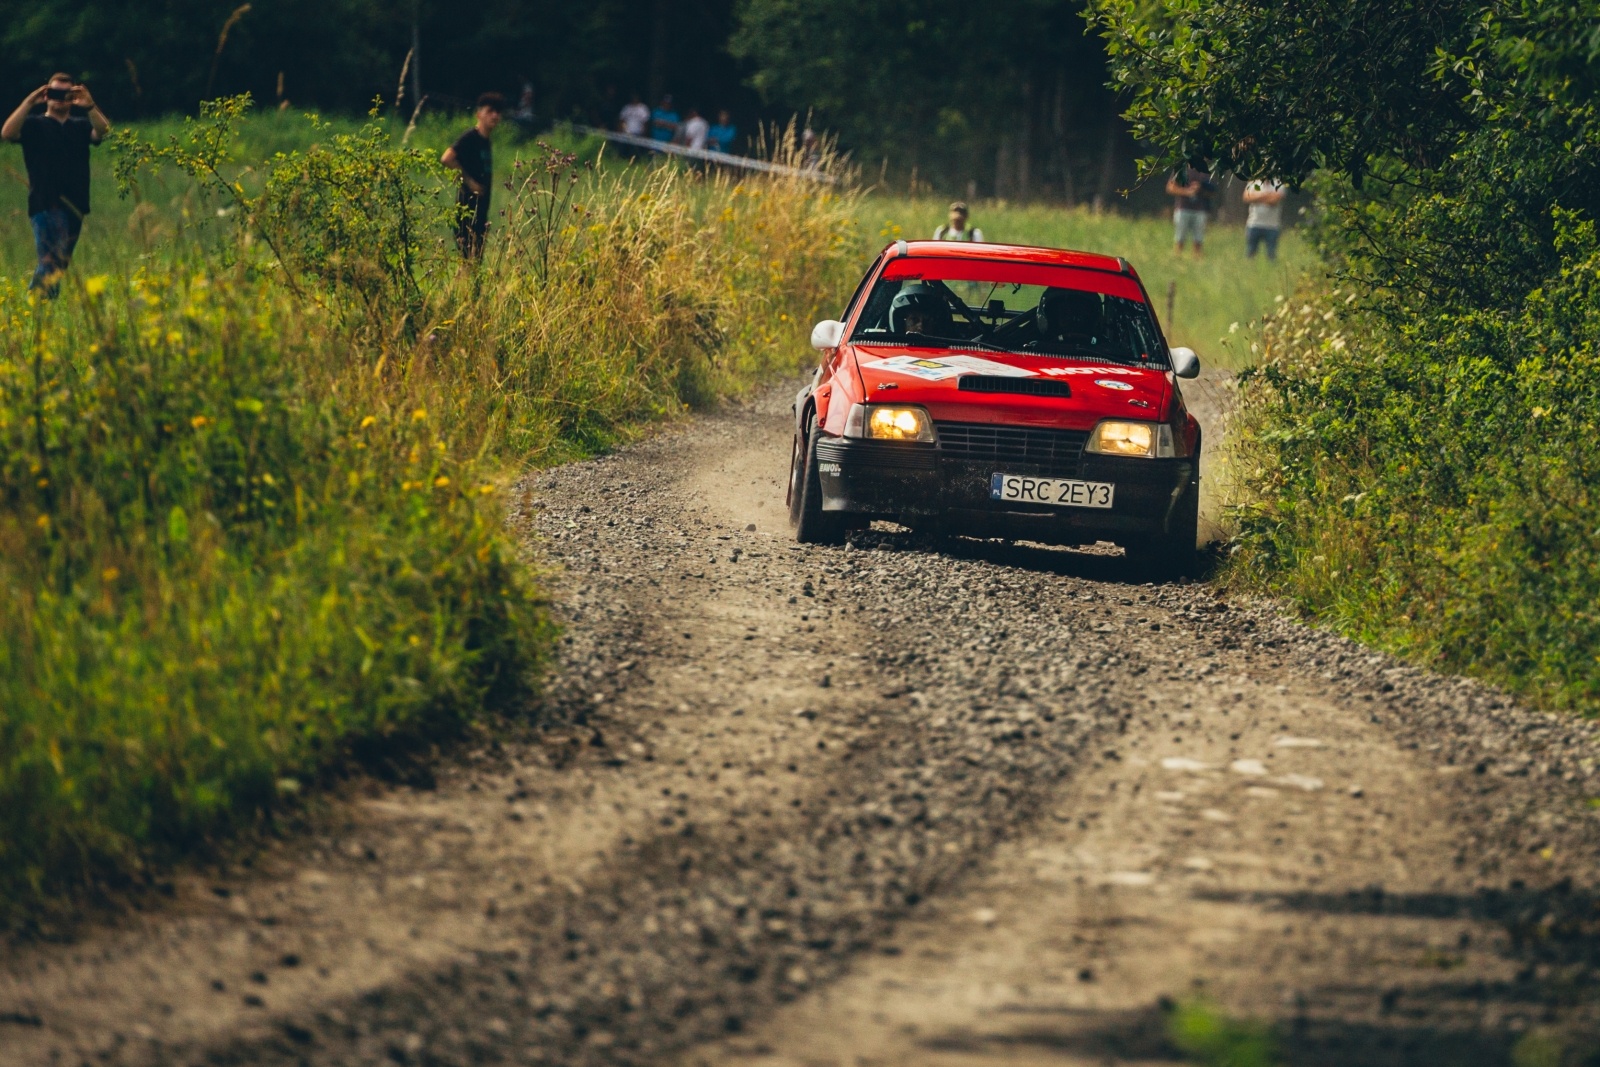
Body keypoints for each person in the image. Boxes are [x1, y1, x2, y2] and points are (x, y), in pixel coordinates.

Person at [2, 73, 110, 297]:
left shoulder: (80, 127)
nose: (59, 98)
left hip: (76, 205)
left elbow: (104, 132)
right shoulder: (34, 125)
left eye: (65, 94)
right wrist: (29, 102)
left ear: (73, 97)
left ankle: (39, 305)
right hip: (45, 202)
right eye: (55, 93)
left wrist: (90, 106)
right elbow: (8, 133)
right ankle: (38, 304)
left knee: (59, 264)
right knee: (51, 261)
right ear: (46, 95)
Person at [441, 92, 503, 260]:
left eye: (498, 112)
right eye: (490, 111)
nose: (495, 115)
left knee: (475, 262)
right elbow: (447, 158)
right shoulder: (470, 138)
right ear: (479, 114)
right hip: (467, 210)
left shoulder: (486, 141)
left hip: (481, 211)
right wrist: (469, 182)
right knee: (467, 260)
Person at [1165, 162, 1216, 257]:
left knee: (1198, 239)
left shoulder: (1205, 171)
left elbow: (1212, 192)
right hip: (1183, 208)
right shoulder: (1181, 168)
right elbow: (1170, 187)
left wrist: (1200, 189)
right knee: (1180, 237)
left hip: (1200, 209)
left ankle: (1197, 259)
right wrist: (1187, 192)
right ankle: (1177, 257)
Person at [1243, 178, 1287, 260]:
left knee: (1271, 254)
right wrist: (1267, 195)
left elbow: (1274, 200)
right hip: (1254, 224)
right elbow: (1247, 197)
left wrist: (1256, 197)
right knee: (1250, 253)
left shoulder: (1278, 184)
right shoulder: (1253, 183)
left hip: (1272, 226)